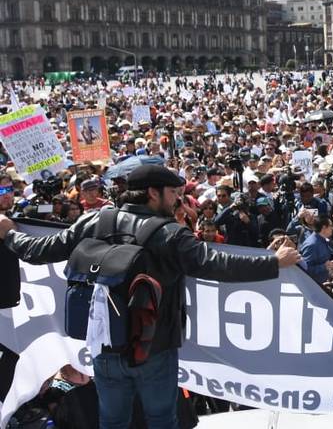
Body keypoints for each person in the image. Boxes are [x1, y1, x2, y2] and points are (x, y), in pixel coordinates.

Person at [0, 165, 301, 429]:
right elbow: (216, 264)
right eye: (172, 192)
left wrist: (10, 233)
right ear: (153, 194)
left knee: (113, 423)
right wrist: (274, 261)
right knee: (162, 422)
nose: (177, 200)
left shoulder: (96, 222)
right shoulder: (170, 233)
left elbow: (39, 251)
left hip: (105, 347)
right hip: (154, 349)